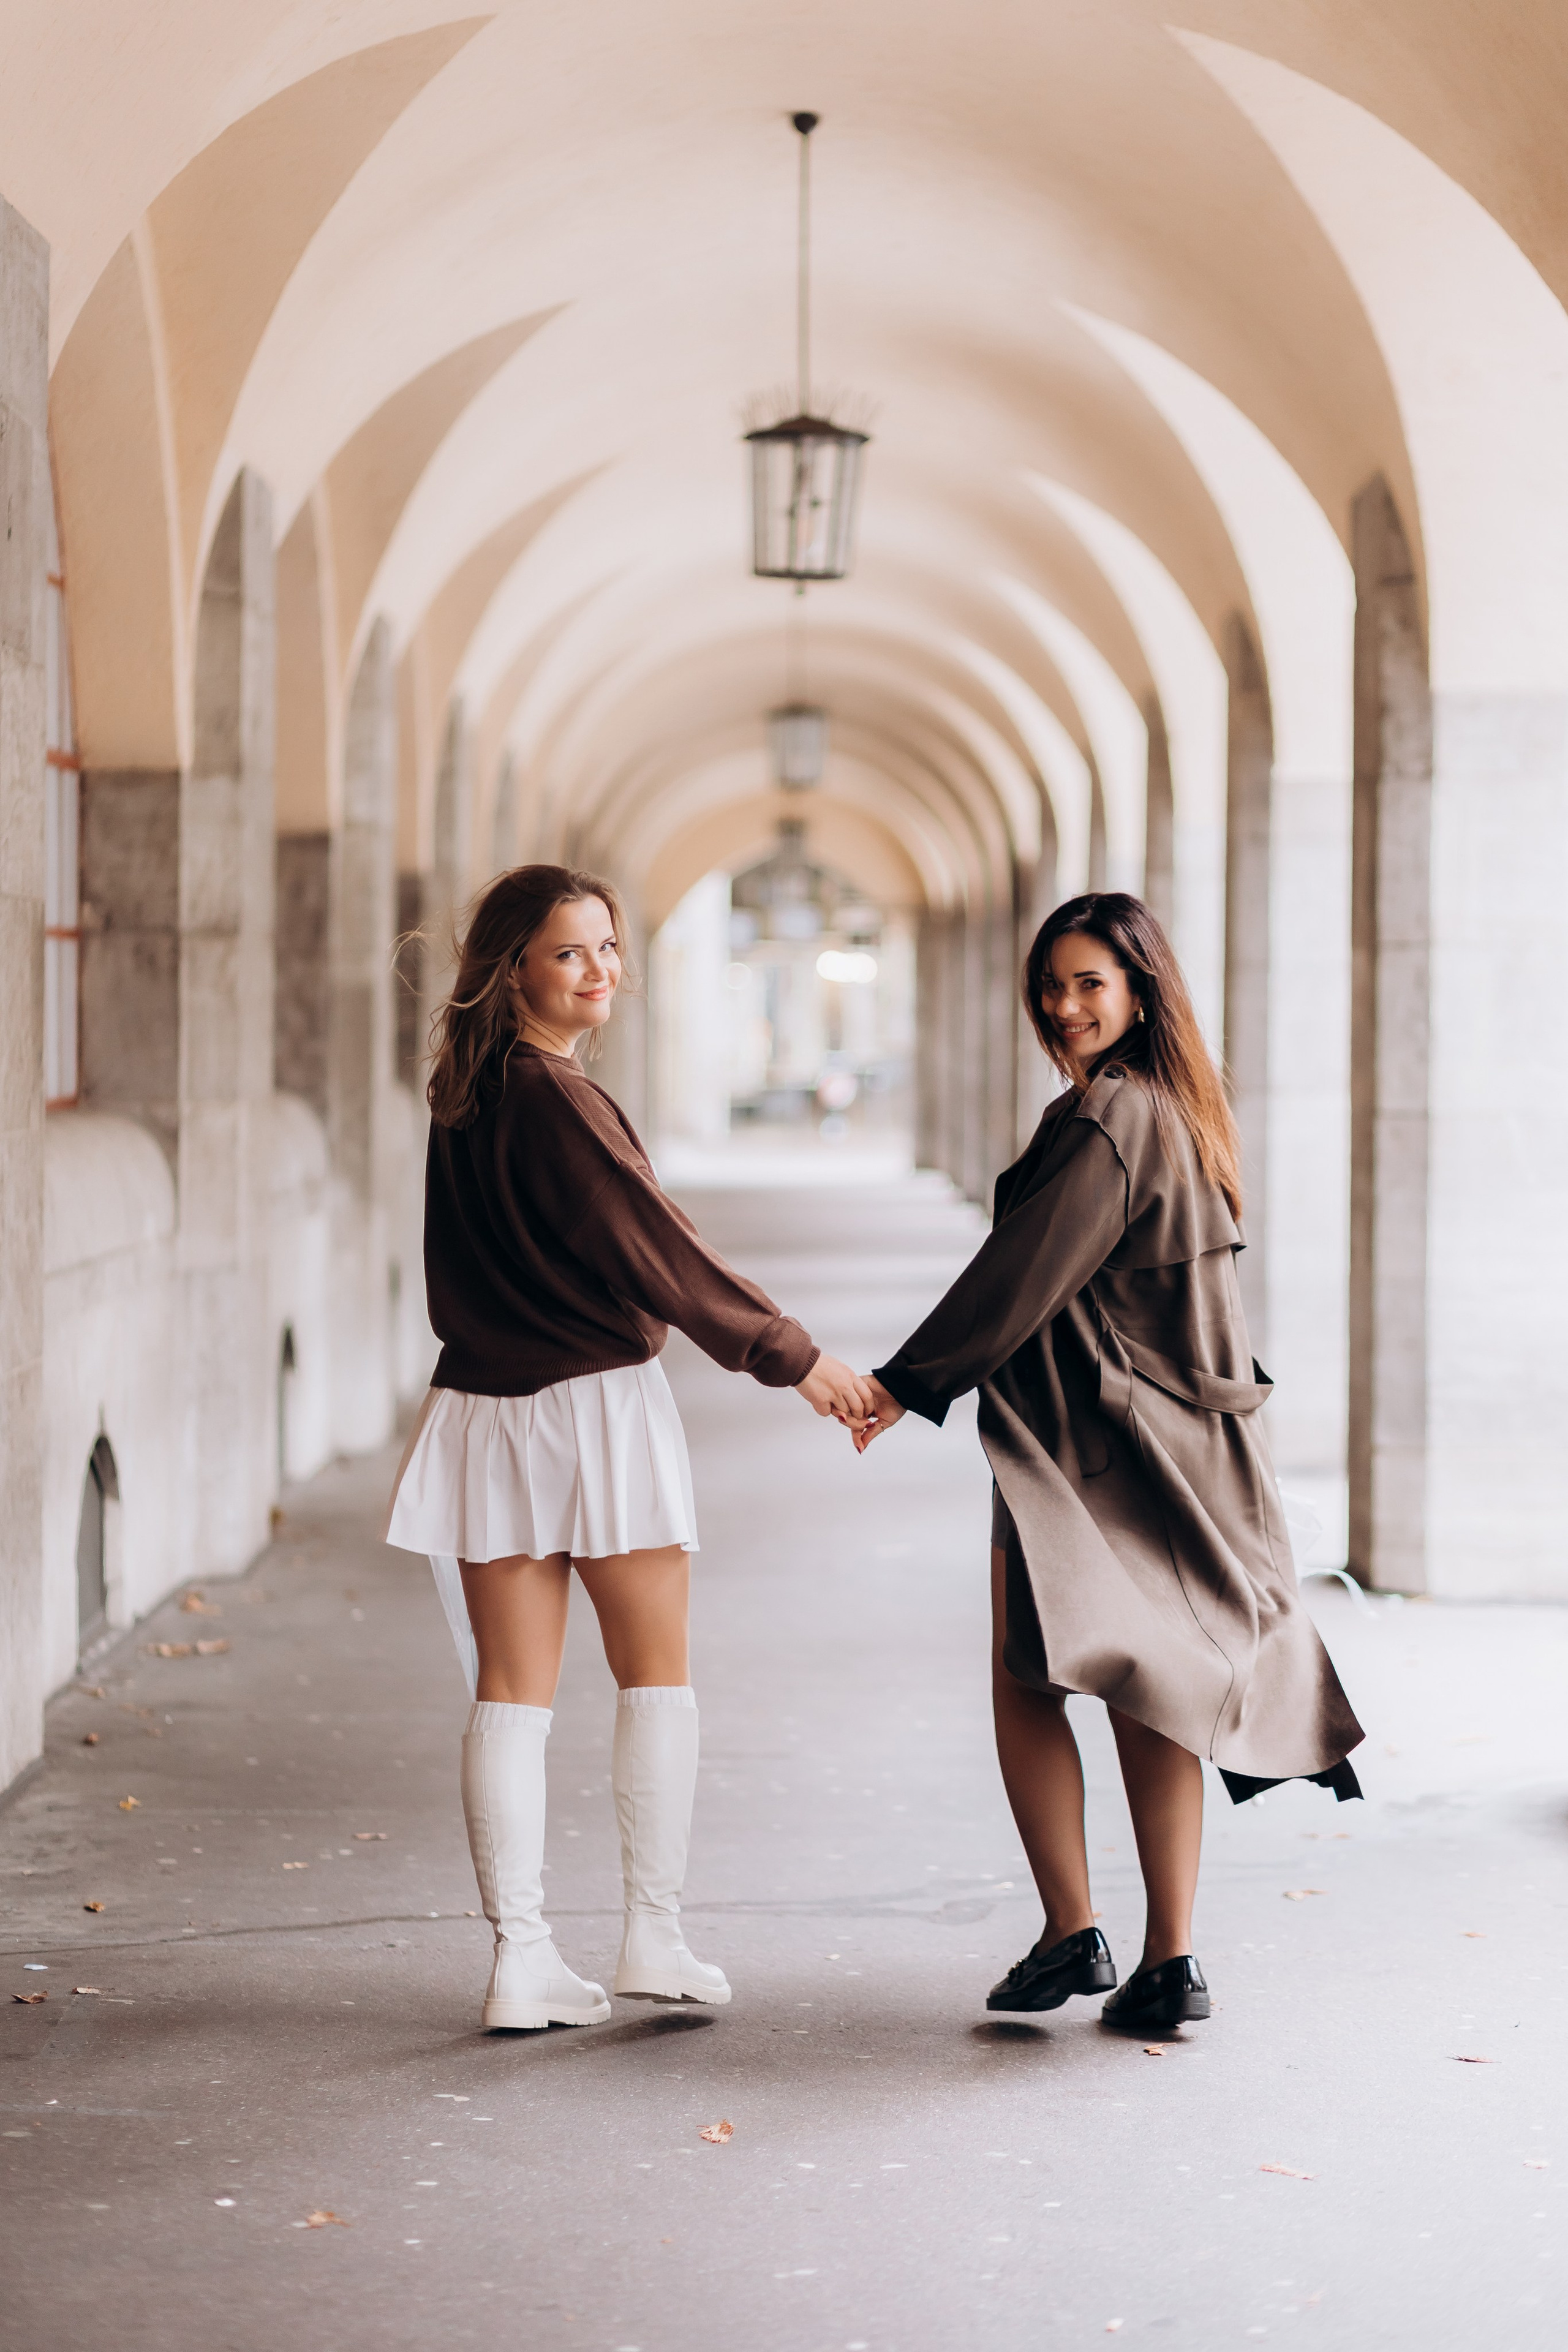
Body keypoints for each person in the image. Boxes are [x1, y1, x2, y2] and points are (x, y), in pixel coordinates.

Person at [854, 892, 1363, 2033]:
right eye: (1054, 984)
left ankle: (1073, 1931)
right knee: (1154, 1686)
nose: (1065, 1004)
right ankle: (1166, 1959)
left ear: (1140, 989)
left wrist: (901, 1384)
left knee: (1029, 1676)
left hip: (1088, 1444)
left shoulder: (1113, 1118)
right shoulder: (1176, 1109)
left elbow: (1022, 1271)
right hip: (1165, 1436)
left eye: (1089, 982)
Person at [385, 864, 873, 2032]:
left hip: (485, 1413)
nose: (601, 969)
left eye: (608, 946)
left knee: (510, 1697)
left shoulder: (470, 1093)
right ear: (515, 970)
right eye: (570, 952)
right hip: (594, 1408)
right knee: (653, 1675)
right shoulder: (554, 1097)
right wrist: (795, 1358)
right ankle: (651, 1934)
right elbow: (660, 1250)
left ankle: (522, 1958)